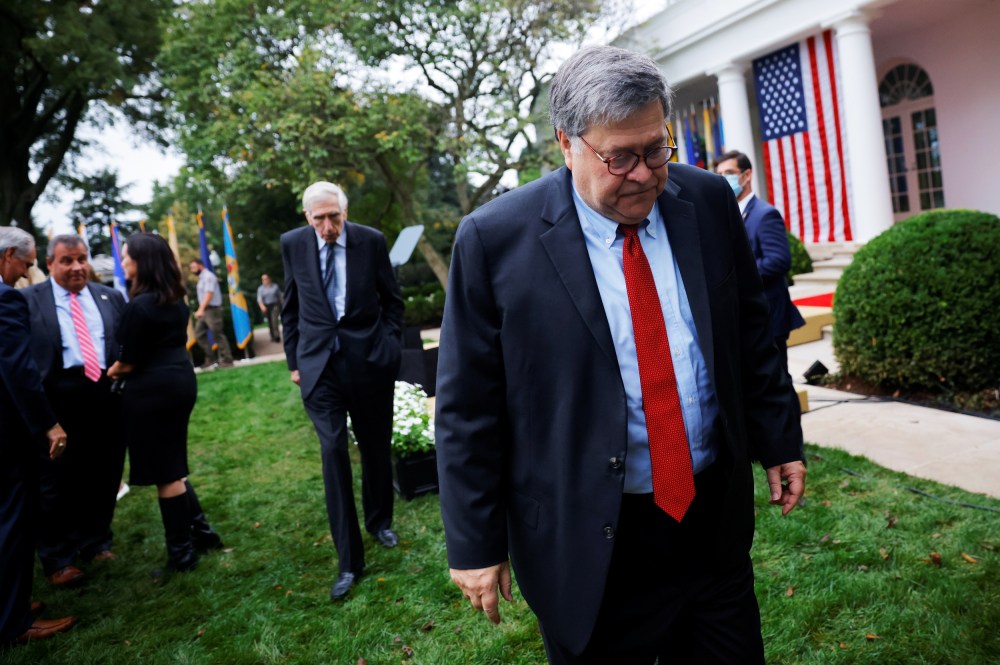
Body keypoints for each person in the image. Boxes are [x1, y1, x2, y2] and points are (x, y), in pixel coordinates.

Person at [435, 45, 807, 664]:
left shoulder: (710, 202)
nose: (644, 174)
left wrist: (779, 439)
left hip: (710, 523)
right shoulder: (494, 241)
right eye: (620, 157)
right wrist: (474, 541)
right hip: (589, 541)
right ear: (566, 143)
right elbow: (469, 407)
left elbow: (749, 333)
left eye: (657, 147)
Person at [280, 181, 403, 601]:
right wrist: (294, 362)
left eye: (335, 216)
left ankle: (379, 521)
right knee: (333, 451)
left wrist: (386, 347)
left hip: (368, 361)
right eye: (320, 219)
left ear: (344, 213)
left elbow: (392, 300)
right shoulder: (293, 245)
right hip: (319, 367)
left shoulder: (371, 242)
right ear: (307, 218)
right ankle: (349, 561)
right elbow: (290, 307)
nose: (328, 226)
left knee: (373, 445)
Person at [108, 233, 223, 572]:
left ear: (142, 261)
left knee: (166, 474)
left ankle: (181, 554)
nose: (123, 261)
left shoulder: (140, 306)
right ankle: (202, 534)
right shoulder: (175, 299)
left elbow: (126, 361)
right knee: (173, 464)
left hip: (151, 391)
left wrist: (109, 372)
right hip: (178, 382)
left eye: (127, 256)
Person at [23, 235, 127, 587]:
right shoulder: (27, 301)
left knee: (105, 473)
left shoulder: (110, 297)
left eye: (82, 259)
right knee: (55, 482)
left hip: (106, 398)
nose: (77, 267)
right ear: (49, 264)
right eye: (67, 260)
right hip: (56, 401)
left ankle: (96, 542)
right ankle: (58, 559)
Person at [0, 226, 78, 646]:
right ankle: (13, 623)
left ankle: (9, 606)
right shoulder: (4, 298)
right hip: (8, 438)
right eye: (26, 265)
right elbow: (18, 370)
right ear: (9, 254)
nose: (25, 275)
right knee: (12, 526)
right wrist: (48, 422)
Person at [716, 150, 805, 369]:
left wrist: (736, 274)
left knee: (779, 382)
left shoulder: (764, 214)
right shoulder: (728, 214)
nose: (724, 178)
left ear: (746, 175)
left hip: (769, 315)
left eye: (729, 172)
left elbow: (779, 260)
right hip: (745, 318)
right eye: (719, 174)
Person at [189, 258, 233, 369]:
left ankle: (227, 360)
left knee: (217, 334)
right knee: (199, 334)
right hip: (204, 310)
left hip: (212, 310)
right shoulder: (201, 279)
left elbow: (209, 294)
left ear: (200, 265)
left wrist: (201, 309)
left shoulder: (208, 276)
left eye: (193, 267)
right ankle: (211, 359)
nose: (192, 270)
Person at [256, 273, 283, 342]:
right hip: (266, 306)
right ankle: (272, 336)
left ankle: (277, 336)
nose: (264, 280)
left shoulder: (275, 286)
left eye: (266, 278)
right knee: (270, 322)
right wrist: (262, 306)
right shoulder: (260, 289)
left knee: (274, 320)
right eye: (263, 279)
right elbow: (259, 299)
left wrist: (283, 304)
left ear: (269, 279)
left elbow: (280, 296)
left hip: (275, 305)